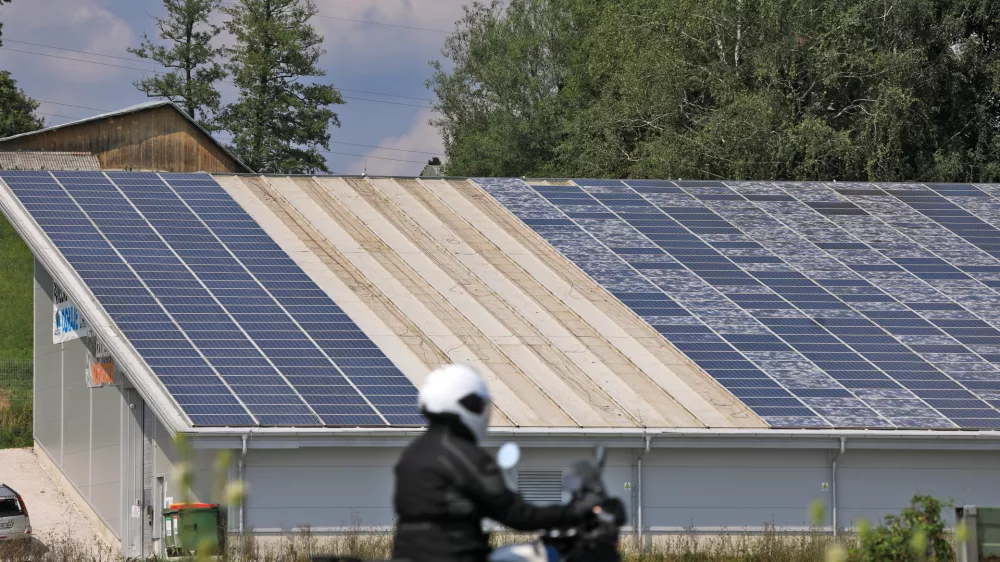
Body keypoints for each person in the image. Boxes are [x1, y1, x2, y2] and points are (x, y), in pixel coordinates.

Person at [392, 364, 608, 562]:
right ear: (468, 405)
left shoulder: (412, 453)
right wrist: (573, 511)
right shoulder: (466, 456)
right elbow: (517, 515)